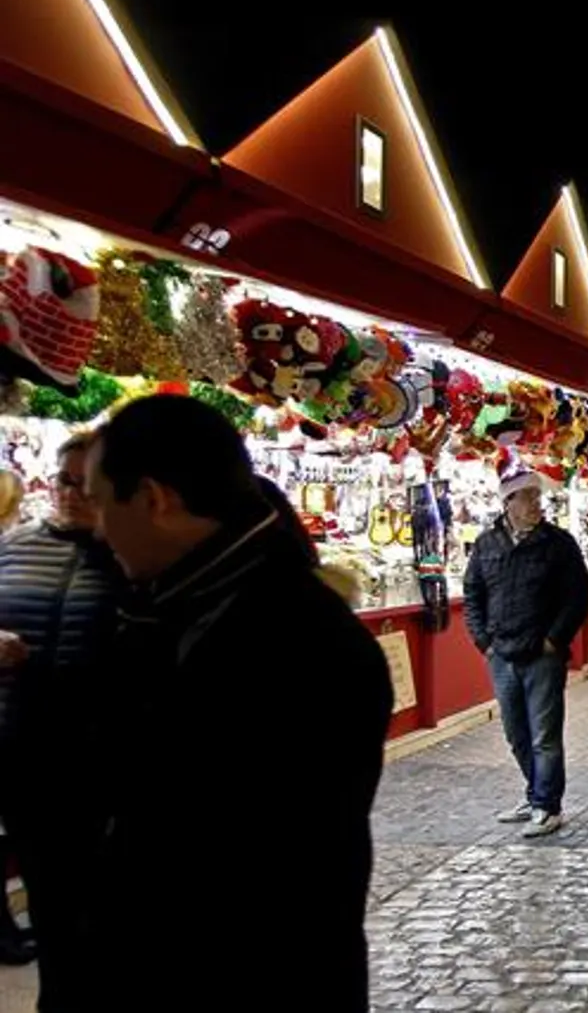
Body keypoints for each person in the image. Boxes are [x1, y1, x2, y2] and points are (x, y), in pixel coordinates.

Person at [82, 395, 392, 1008]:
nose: (96, 527)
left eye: (99, 501)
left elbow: (261, 868)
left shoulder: (309, 644)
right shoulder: (158, 611)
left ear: (153, 499)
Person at [0, 433, 121, 1004]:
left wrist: (42, 663)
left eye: (84, 483)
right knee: (52, 913)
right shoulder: (14, 546)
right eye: (63, 479)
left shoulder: (129, 555)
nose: (70, 493)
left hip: (97, 761)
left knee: (99, 918)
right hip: (22, 754)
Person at [463, 470, 588, 839]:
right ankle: (535, 792)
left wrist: (555, 639)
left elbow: (578, 597)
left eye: (538, 497)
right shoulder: (487, 544)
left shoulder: (559, 543)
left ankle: (548, 806)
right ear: (508, 504)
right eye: (528, 497)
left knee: (544, 734)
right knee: (516, 732)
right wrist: (483, 642)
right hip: (501, 654)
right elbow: (473, 594)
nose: (537, 504)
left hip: (542, 654)